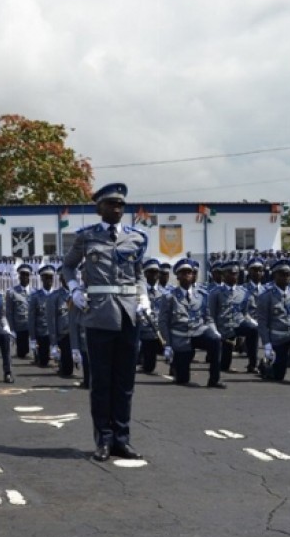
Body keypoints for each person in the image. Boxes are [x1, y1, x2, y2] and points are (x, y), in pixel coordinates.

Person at [61, 182, 149, 462]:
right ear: (99, 207)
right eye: (111, 204)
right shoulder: (86, 237)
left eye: (121, 205)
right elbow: (68, 265)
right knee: (101, 381)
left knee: (125, 382)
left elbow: (139, 273)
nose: (117, 209)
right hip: (99, 314)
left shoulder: (137, 238)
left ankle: (122, 439)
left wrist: (144, 297)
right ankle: (104, 440)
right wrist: (74, 289)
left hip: (128, 314)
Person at [157, 258, 225, 388]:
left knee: (215, 341)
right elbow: (163, 322)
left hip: (198, 332)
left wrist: (215, 331)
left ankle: (214, 380)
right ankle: (176, 367)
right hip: (180, 338)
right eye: (183, 273)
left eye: (189, 272)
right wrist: (168, 345)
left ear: (193, 275)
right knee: (183, 380)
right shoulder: (169, 297)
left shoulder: (201, 295)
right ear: (177, 276)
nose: (187, 275)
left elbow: (208, 317)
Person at [5, 263, 34, 359]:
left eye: (27, 274)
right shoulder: (12, 292)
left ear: (29, 276)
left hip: (34, 326)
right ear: (19, 276)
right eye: (23, 274)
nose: (25, 277)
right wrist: (12, 329)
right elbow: (9, 312)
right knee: (22, 353)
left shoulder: (35, 292)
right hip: (20, 326)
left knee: (42, 354)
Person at [29, 265, 55, 368]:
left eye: (50, 277)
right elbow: (31, 318)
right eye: (46, 277)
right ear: (42, 278)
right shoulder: (35, 297)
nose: (49, 280)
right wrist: (32, 338)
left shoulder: (57, 295)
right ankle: (39, 355)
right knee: (43, 362)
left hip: (57, 333)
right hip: (42, 332)